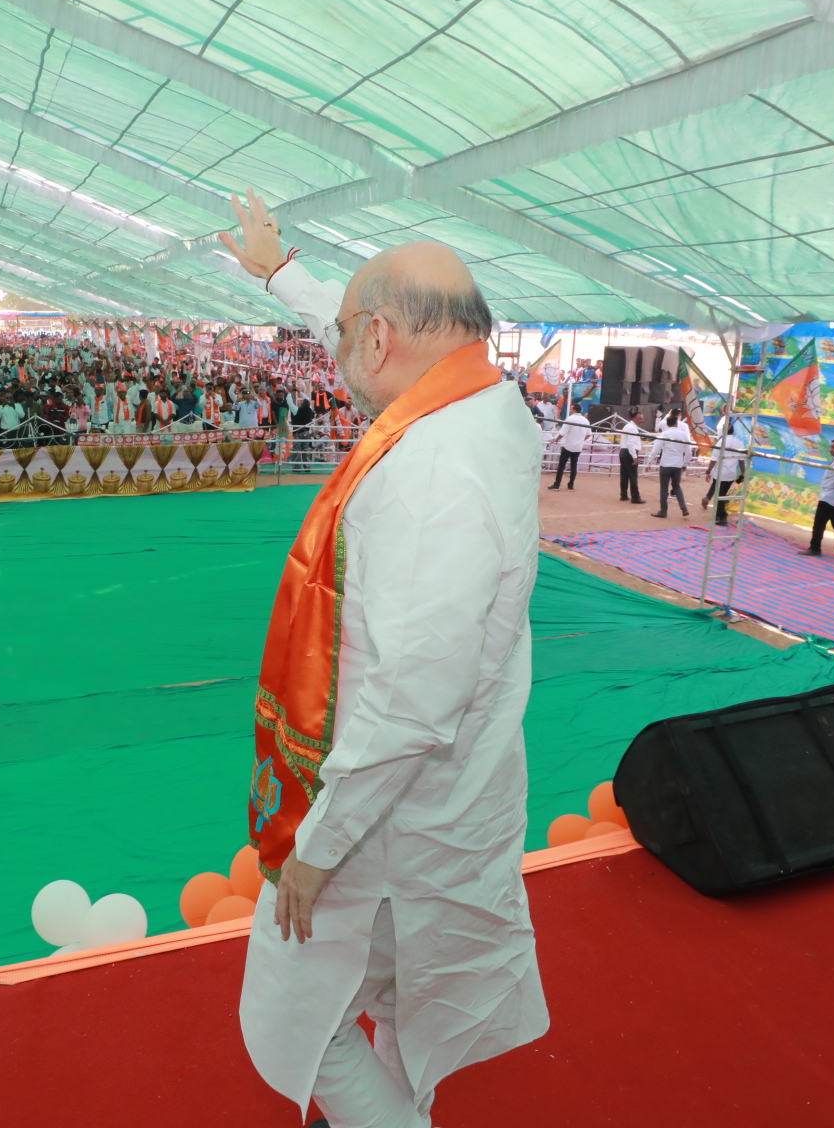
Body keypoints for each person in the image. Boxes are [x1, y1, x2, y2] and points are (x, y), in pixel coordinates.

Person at [220, 191, 547, 1128]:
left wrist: (316, 849)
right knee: (407, 1005)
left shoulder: (429, 470)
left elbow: (410, 701)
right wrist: (284, 274)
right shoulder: (480, 402)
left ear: (380, 339)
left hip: (384, 816)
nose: (343, 361)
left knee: (300, 1018)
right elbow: (354, 324)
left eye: (351, 338)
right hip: (450, 803)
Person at [649, 409, 692, 518]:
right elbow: (689, 452)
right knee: (677, 486)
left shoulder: (664, 434)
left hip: (666, 464)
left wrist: (649, 462)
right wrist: (685, 464)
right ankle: (684, 508)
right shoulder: (683, 435)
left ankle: (663, 511)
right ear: (677, 423)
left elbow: (655, 450)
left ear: (667, 424)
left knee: (664, 488)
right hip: (678, 464)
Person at [709, 419, 749, 526]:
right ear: (733, 431)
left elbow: (713, 459)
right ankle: (719, 515)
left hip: (719, 473)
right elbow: (741, 460)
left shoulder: (720, 442)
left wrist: (708, 471)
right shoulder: (739, 442)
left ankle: (722, 517)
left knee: (719, 496)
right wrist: (743, 472)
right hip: (731, 474)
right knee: (722, 495)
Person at [546, 406, 589, 490]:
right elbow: (589, 434)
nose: (570, 410)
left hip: (568, 445)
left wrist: (556, 440)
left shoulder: (570, 419)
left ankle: (557, 484)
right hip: (578, 447)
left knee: (561, 465)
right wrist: (580, 440)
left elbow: (562, 432)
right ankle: (571, 485)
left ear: (574, 410)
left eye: (571, 409)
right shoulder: (586, 421)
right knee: (574, 465)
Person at [616, 413, 645, 503]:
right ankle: (635, 497)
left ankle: (623, 495)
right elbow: (630, 443)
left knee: (624, 475)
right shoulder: (632, 428)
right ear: (634, 418)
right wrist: (634, 457)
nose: (642, 421)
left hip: (623, 451)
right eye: (640, 419)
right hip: (629, 452)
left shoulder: (627, 426)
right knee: (633, 476)